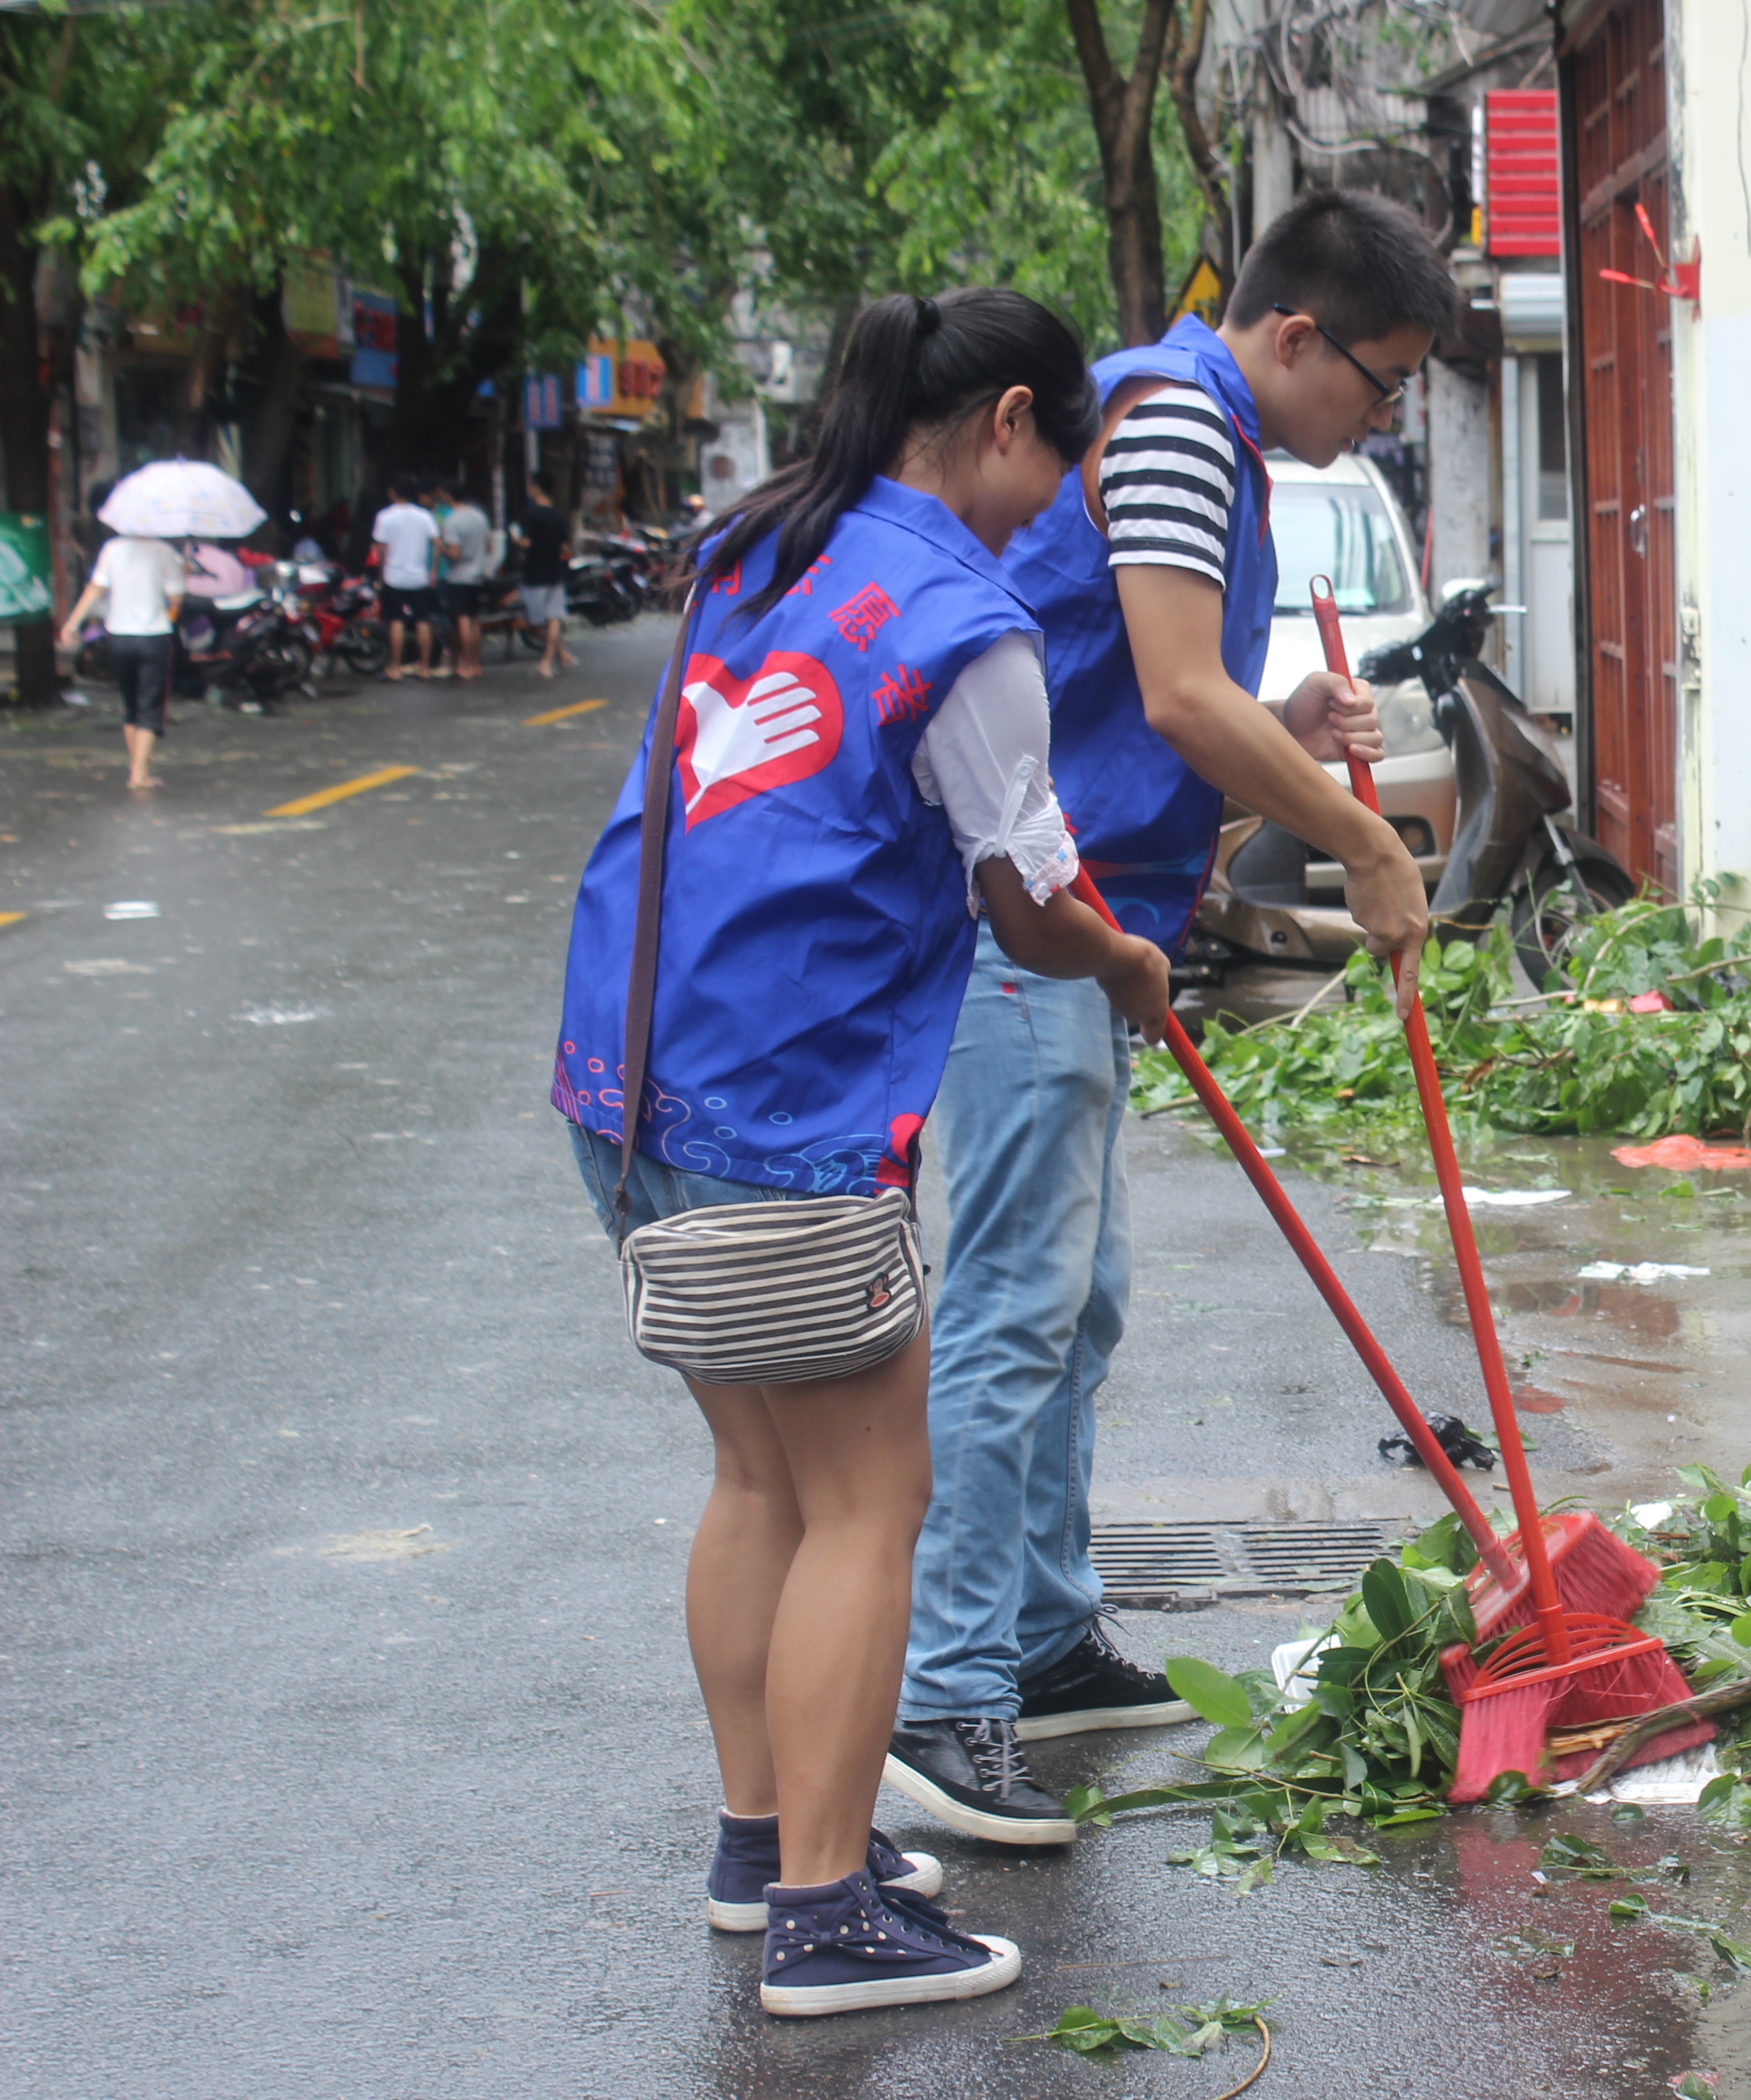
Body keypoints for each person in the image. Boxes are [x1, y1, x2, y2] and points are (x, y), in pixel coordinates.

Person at [552, 287, 1166, 2015]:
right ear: (1004, 422)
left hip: (625, 1085)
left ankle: (766, 1844)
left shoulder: (758, 546)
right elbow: (1031, 901)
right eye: (1067, 461)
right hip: (780, 1111)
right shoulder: (962, 618)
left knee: (762, 1479)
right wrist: (1121, 961)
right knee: (867, 1500)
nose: (1060, 503)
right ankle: (829, 1909)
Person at [880, 189, 1456, 1844]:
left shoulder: (1198, 435)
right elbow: (1172, 694)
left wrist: (1281, 724)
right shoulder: (1179, 425)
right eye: (1382, 379)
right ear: (1293, 335)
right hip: (1022, 921)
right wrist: (1362, 839)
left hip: (1087, 915)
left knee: (1082, 1296)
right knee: (1013, 1305)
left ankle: (1044, 1637)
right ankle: (945, 1689)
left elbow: (1166, 708)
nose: (1381, 420)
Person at [57, 526, 187, 790]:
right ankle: (139, 775)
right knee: (150, 705)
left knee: (131, 705)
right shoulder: (166, 553)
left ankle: (138, 767)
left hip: (118, 637)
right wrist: (180, 577)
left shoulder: (112, 549)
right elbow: (176, 598)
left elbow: (96, 588)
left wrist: (72, 623)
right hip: (153, 638)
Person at [369, 475, 441, 679]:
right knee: (423, 621)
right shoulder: (424, 516)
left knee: (396, 622)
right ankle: (425, 667)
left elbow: (380, 551)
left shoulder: (384, 517)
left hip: (394, 576)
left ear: (392, 492)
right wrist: (433, 570)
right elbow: (437, 545)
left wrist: (381, 576)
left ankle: (396, 668)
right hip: (419, 577)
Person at [511, 485, 576, 678]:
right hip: (555, 572)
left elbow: (526, 542)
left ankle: (548, 660)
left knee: (535, 622)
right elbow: (565, 547)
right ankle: (560, 655)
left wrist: (515, 539)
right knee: (554, 617)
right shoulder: (559, 516)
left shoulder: (531, 515)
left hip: (535, 574)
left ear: (537, 489)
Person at [438, 480, 499, 678]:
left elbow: (454, 554)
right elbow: (489, 547)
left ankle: (463, 663)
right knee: (475, 620)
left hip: (459, 577)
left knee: (462, 620)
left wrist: (441, 548)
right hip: (478, 576)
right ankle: (475, 664)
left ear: (449, 496)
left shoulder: (452, 521)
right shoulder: (480, 516)